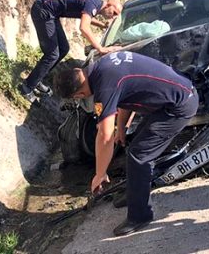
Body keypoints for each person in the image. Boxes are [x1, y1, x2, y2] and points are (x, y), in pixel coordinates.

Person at [53, 51, 199, 236]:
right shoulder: (100, 67)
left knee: (140, 155)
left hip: (179, 105)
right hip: (168, 102)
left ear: (79, 94)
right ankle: (134, 194)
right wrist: (121, 127)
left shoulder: (103, 87)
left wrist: (99, 174)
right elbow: (124, 97)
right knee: (136, 147)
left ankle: (140, 216)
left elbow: (104, 135)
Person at [18, 0, 122, 103]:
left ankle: (37, 79)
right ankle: (27, 87)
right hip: (43, 10)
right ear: (108, 5)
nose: (112, 17)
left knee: (63, 49)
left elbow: (85, 16)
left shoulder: (94, 4)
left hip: (51, 13)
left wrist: (101, 25)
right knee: (52, 54)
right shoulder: (92, 4)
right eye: (114, 13)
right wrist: (100, 48)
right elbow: (84, 28)